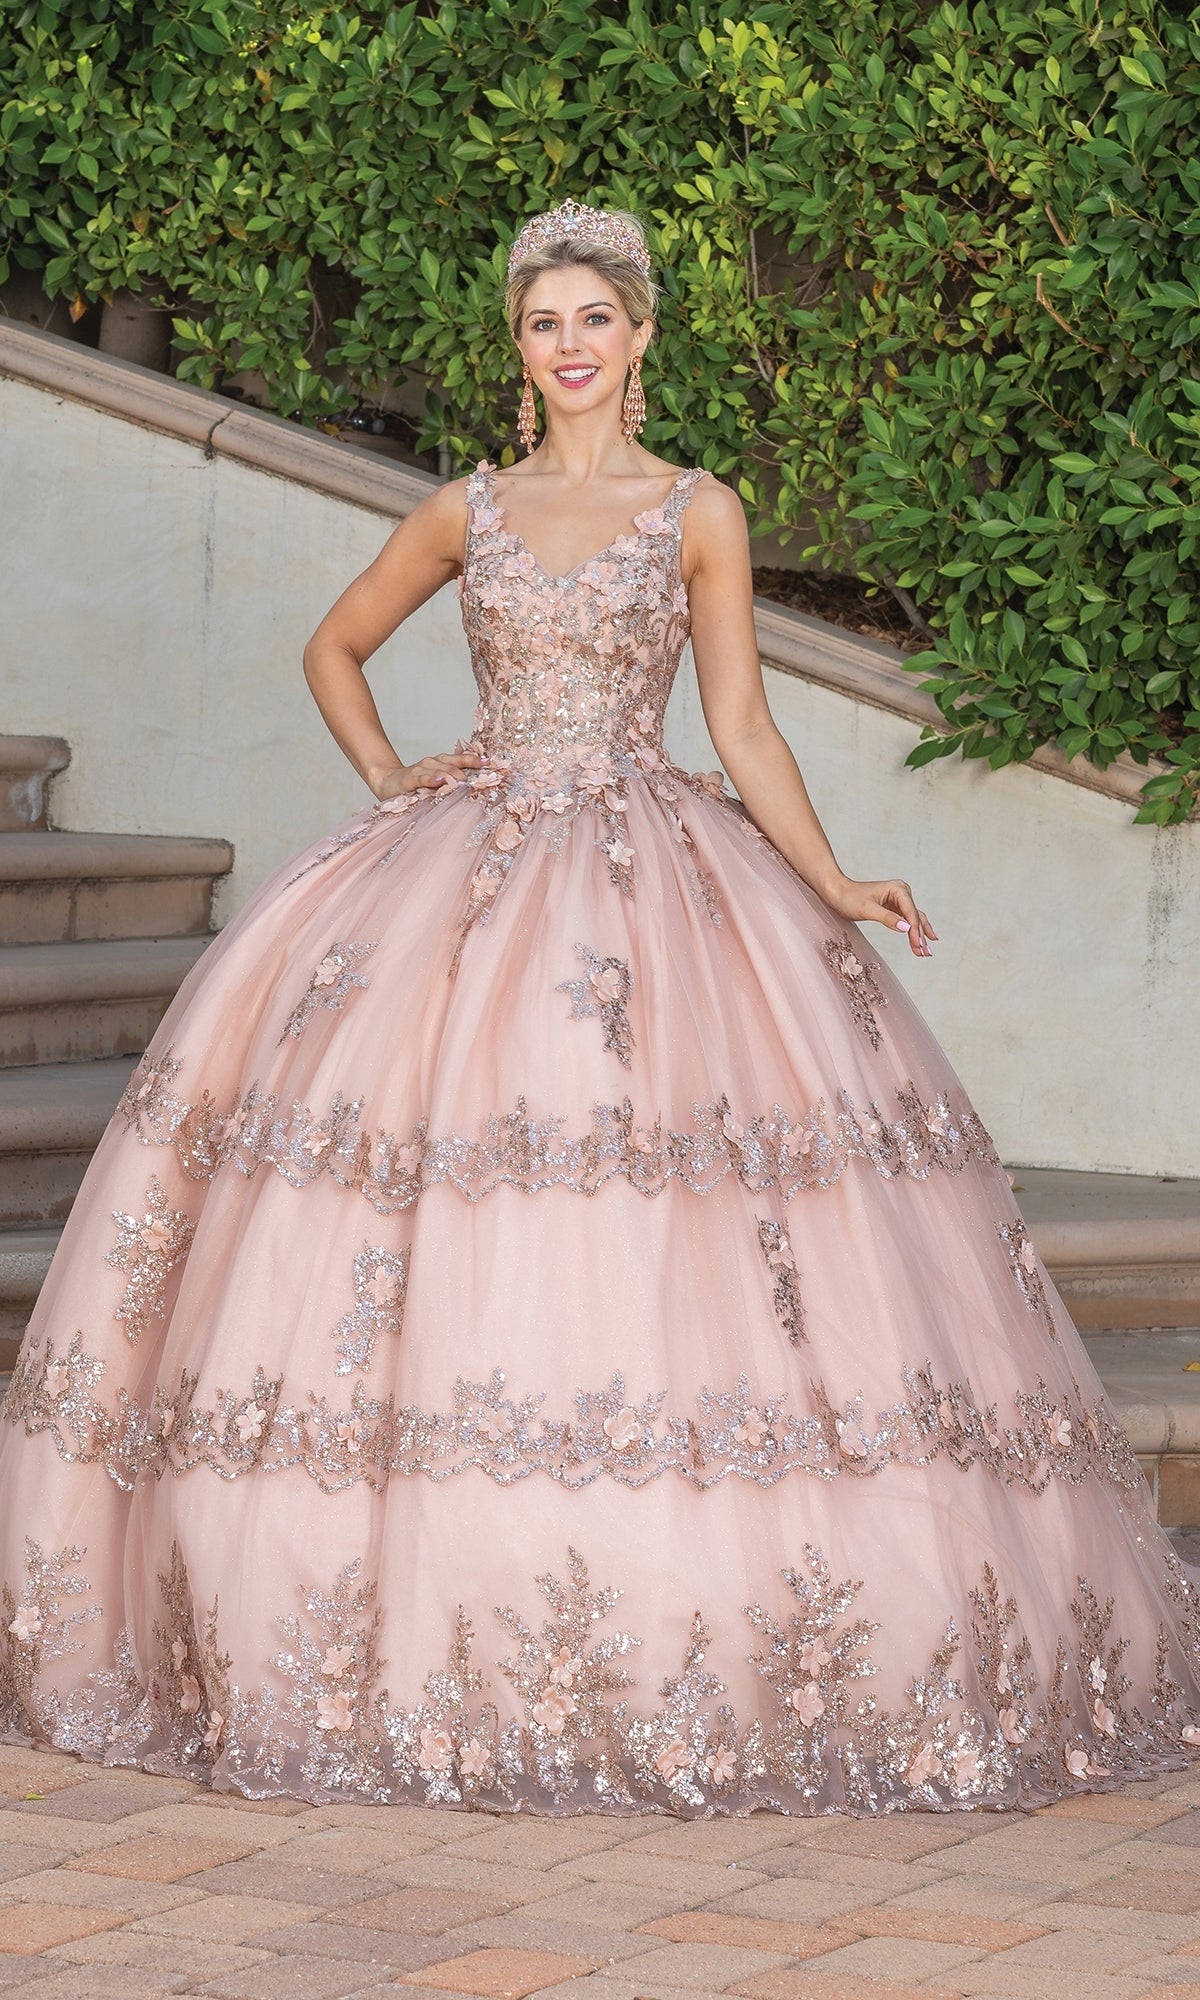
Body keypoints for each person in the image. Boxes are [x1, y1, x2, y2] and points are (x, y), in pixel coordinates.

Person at [1, 200, 1197, 1819]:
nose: (566, 346)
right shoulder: (467, 507)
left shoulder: (702, 510)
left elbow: (744, 725)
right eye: (541, 323)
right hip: (465, 863)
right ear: (520, 349)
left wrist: (834, 882)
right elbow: (337, 645)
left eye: (593, 320)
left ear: (642, 340)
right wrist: (391, 775)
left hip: (655, 874)